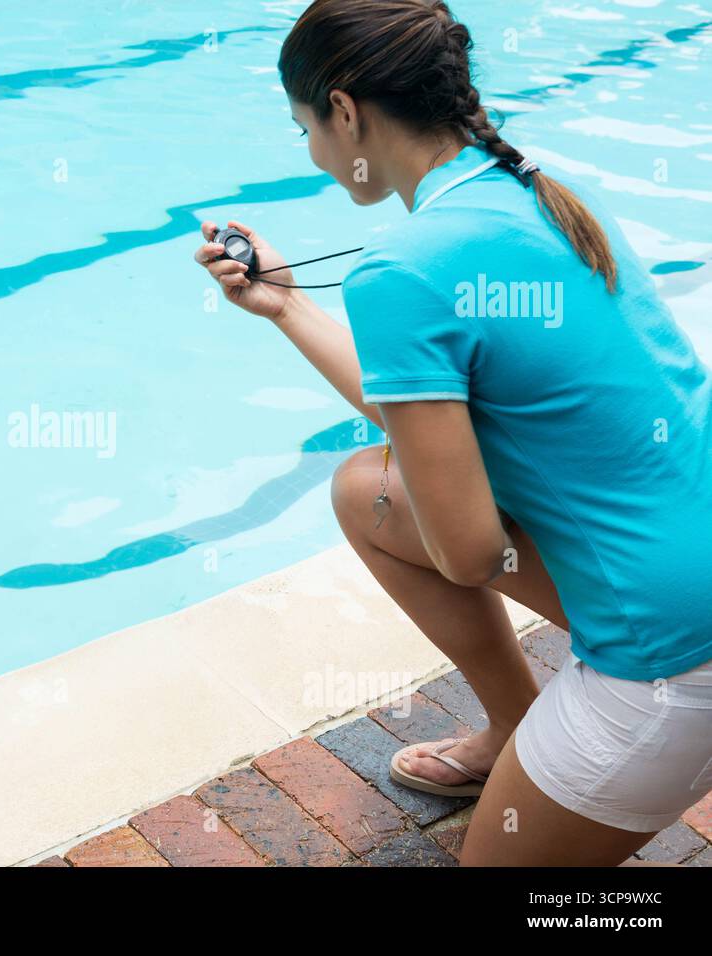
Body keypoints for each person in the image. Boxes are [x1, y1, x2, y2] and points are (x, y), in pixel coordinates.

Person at [194, 0, 712, 866]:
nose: (316, 155)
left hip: (667, 659)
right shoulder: (538, 187)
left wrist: (469, 483)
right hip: (688, 578)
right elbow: (423, 418)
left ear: (347, 111)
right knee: (371, 492)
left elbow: (468, 552)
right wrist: (284, 303)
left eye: (307, 129)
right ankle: (518, 729)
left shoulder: (404, 270)